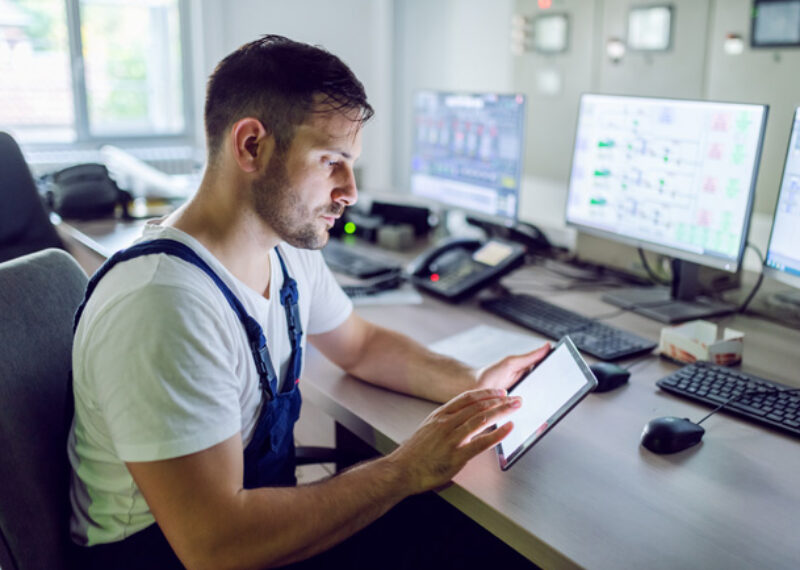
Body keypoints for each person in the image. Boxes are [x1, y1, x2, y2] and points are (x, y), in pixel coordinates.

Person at [67, 35, 549, 569]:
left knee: (473, 533)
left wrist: (475, 384)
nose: (350, 191)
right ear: (251, 145)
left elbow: (361, 346)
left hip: (246, 529)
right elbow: (214, 546)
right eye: (331, 161)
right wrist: (403, 468)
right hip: (176, 554)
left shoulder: (284, 249)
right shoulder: (163, 305)